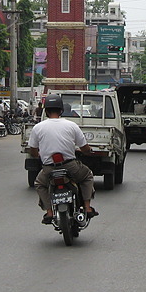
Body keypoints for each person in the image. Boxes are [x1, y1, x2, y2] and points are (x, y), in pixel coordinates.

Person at [28, 94, 97, 224]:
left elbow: (33, 150)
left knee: (39, 184)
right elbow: (84, 148)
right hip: (71, 167)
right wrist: (89, 152)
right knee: (87, 175)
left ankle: (49, 212)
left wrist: (39, 156)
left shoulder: (38, 127)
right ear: (61, 110)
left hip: (49, 169)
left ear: (46, 110)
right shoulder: (71, 125)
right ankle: (87, 207)